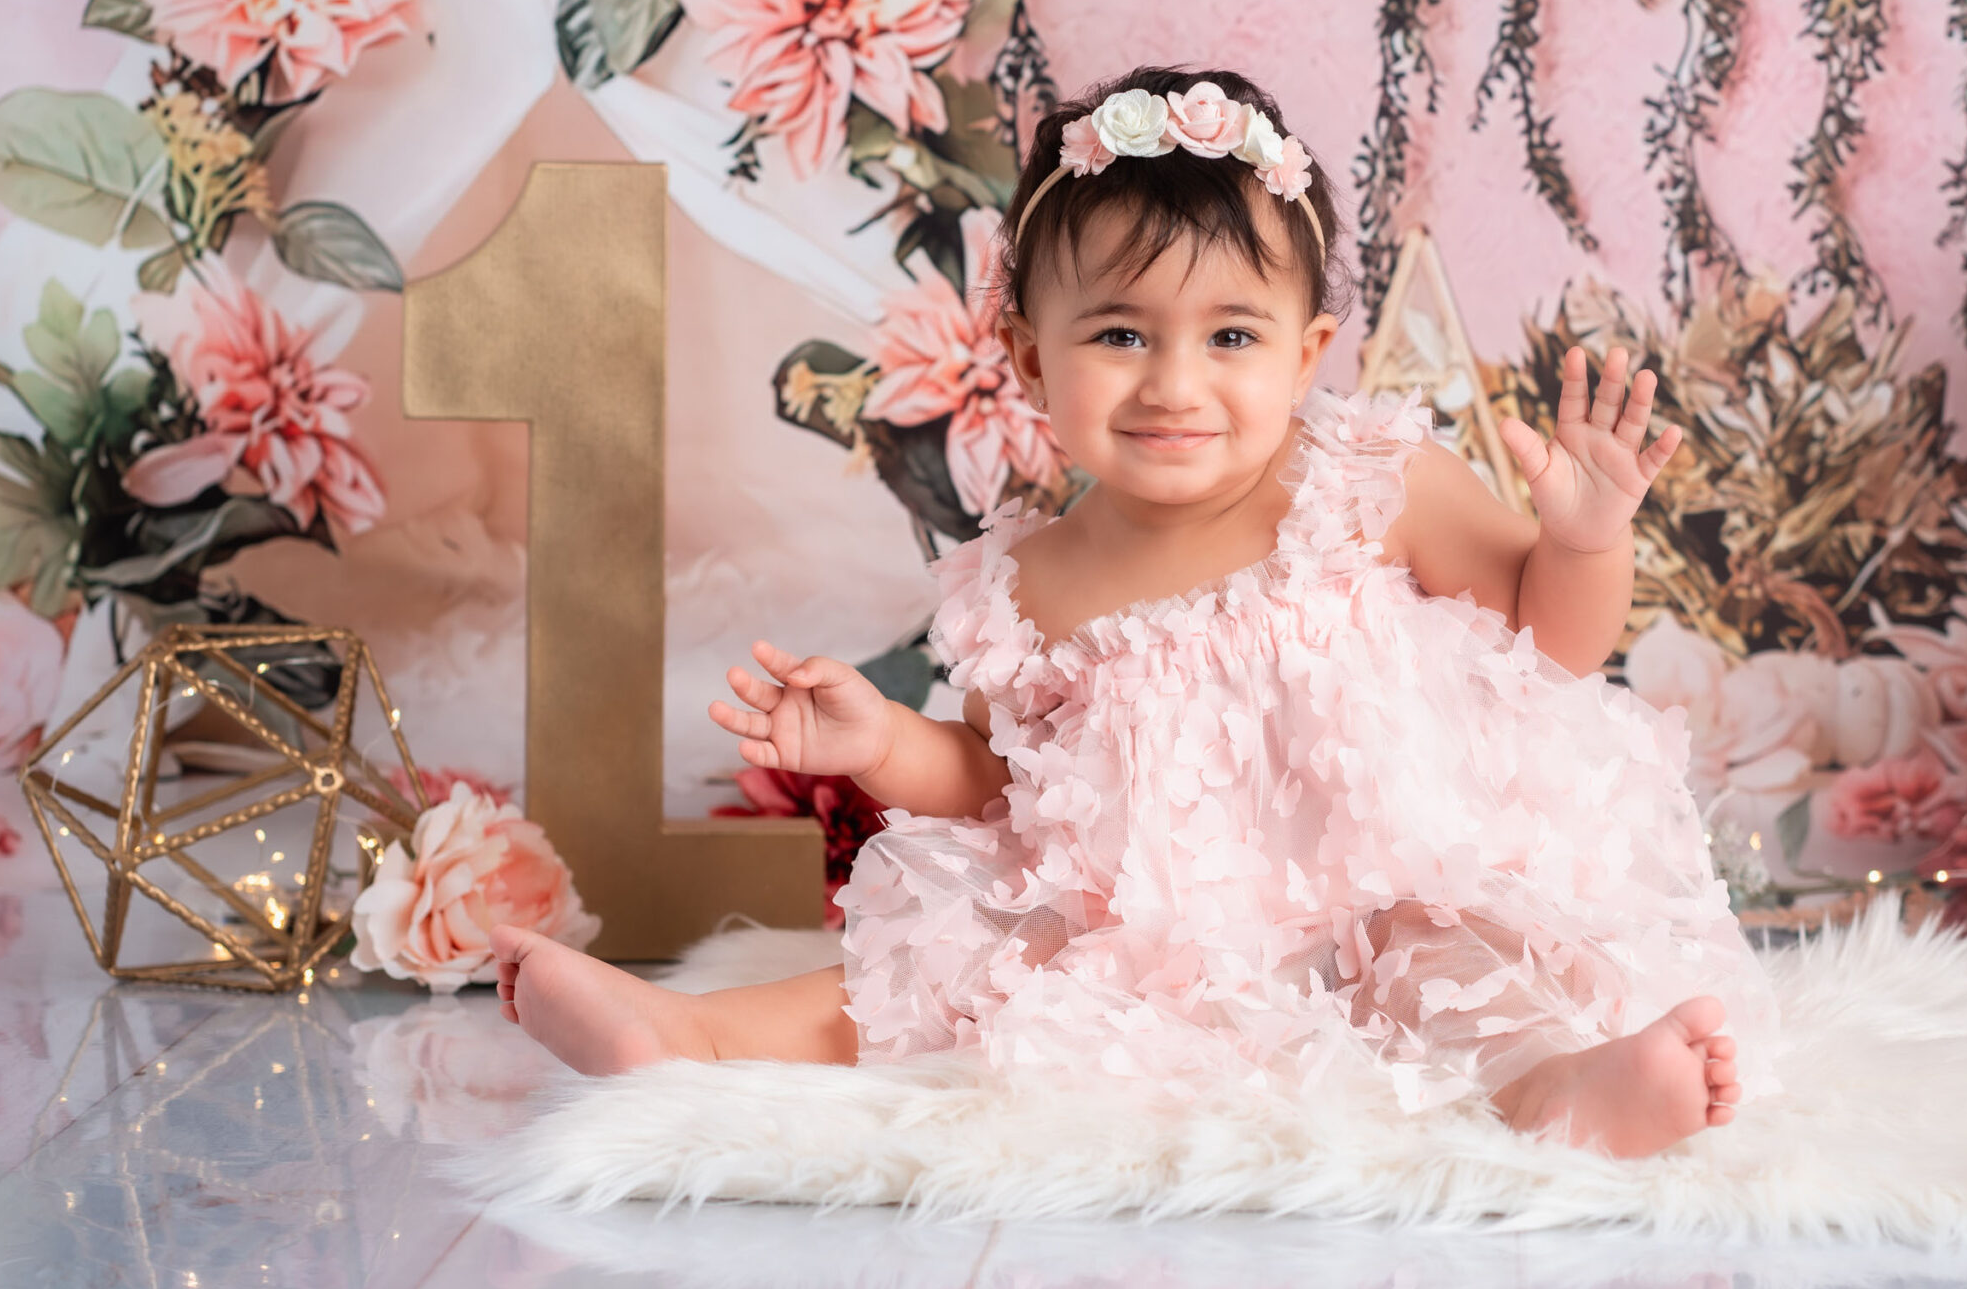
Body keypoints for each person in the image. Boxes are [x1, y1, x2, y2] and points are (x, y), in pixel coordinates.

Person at [488, 65, 1776, 1160]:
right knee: (966, 983)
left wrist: (1585, 537)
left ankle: (1565, 1090)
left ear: (1307, 353)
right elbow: (1009, 789)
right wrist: (878, 744)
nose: (1174, 383)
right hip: (1163, 935)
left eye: (1231, 336)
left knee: (1456, 974)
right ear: (1033, 358)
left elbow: (1552, 640)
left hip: (1392, 895)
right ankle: (690, 1036)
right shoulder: (1028, 581)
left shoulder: (1367, 481)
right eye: (1118, 335)